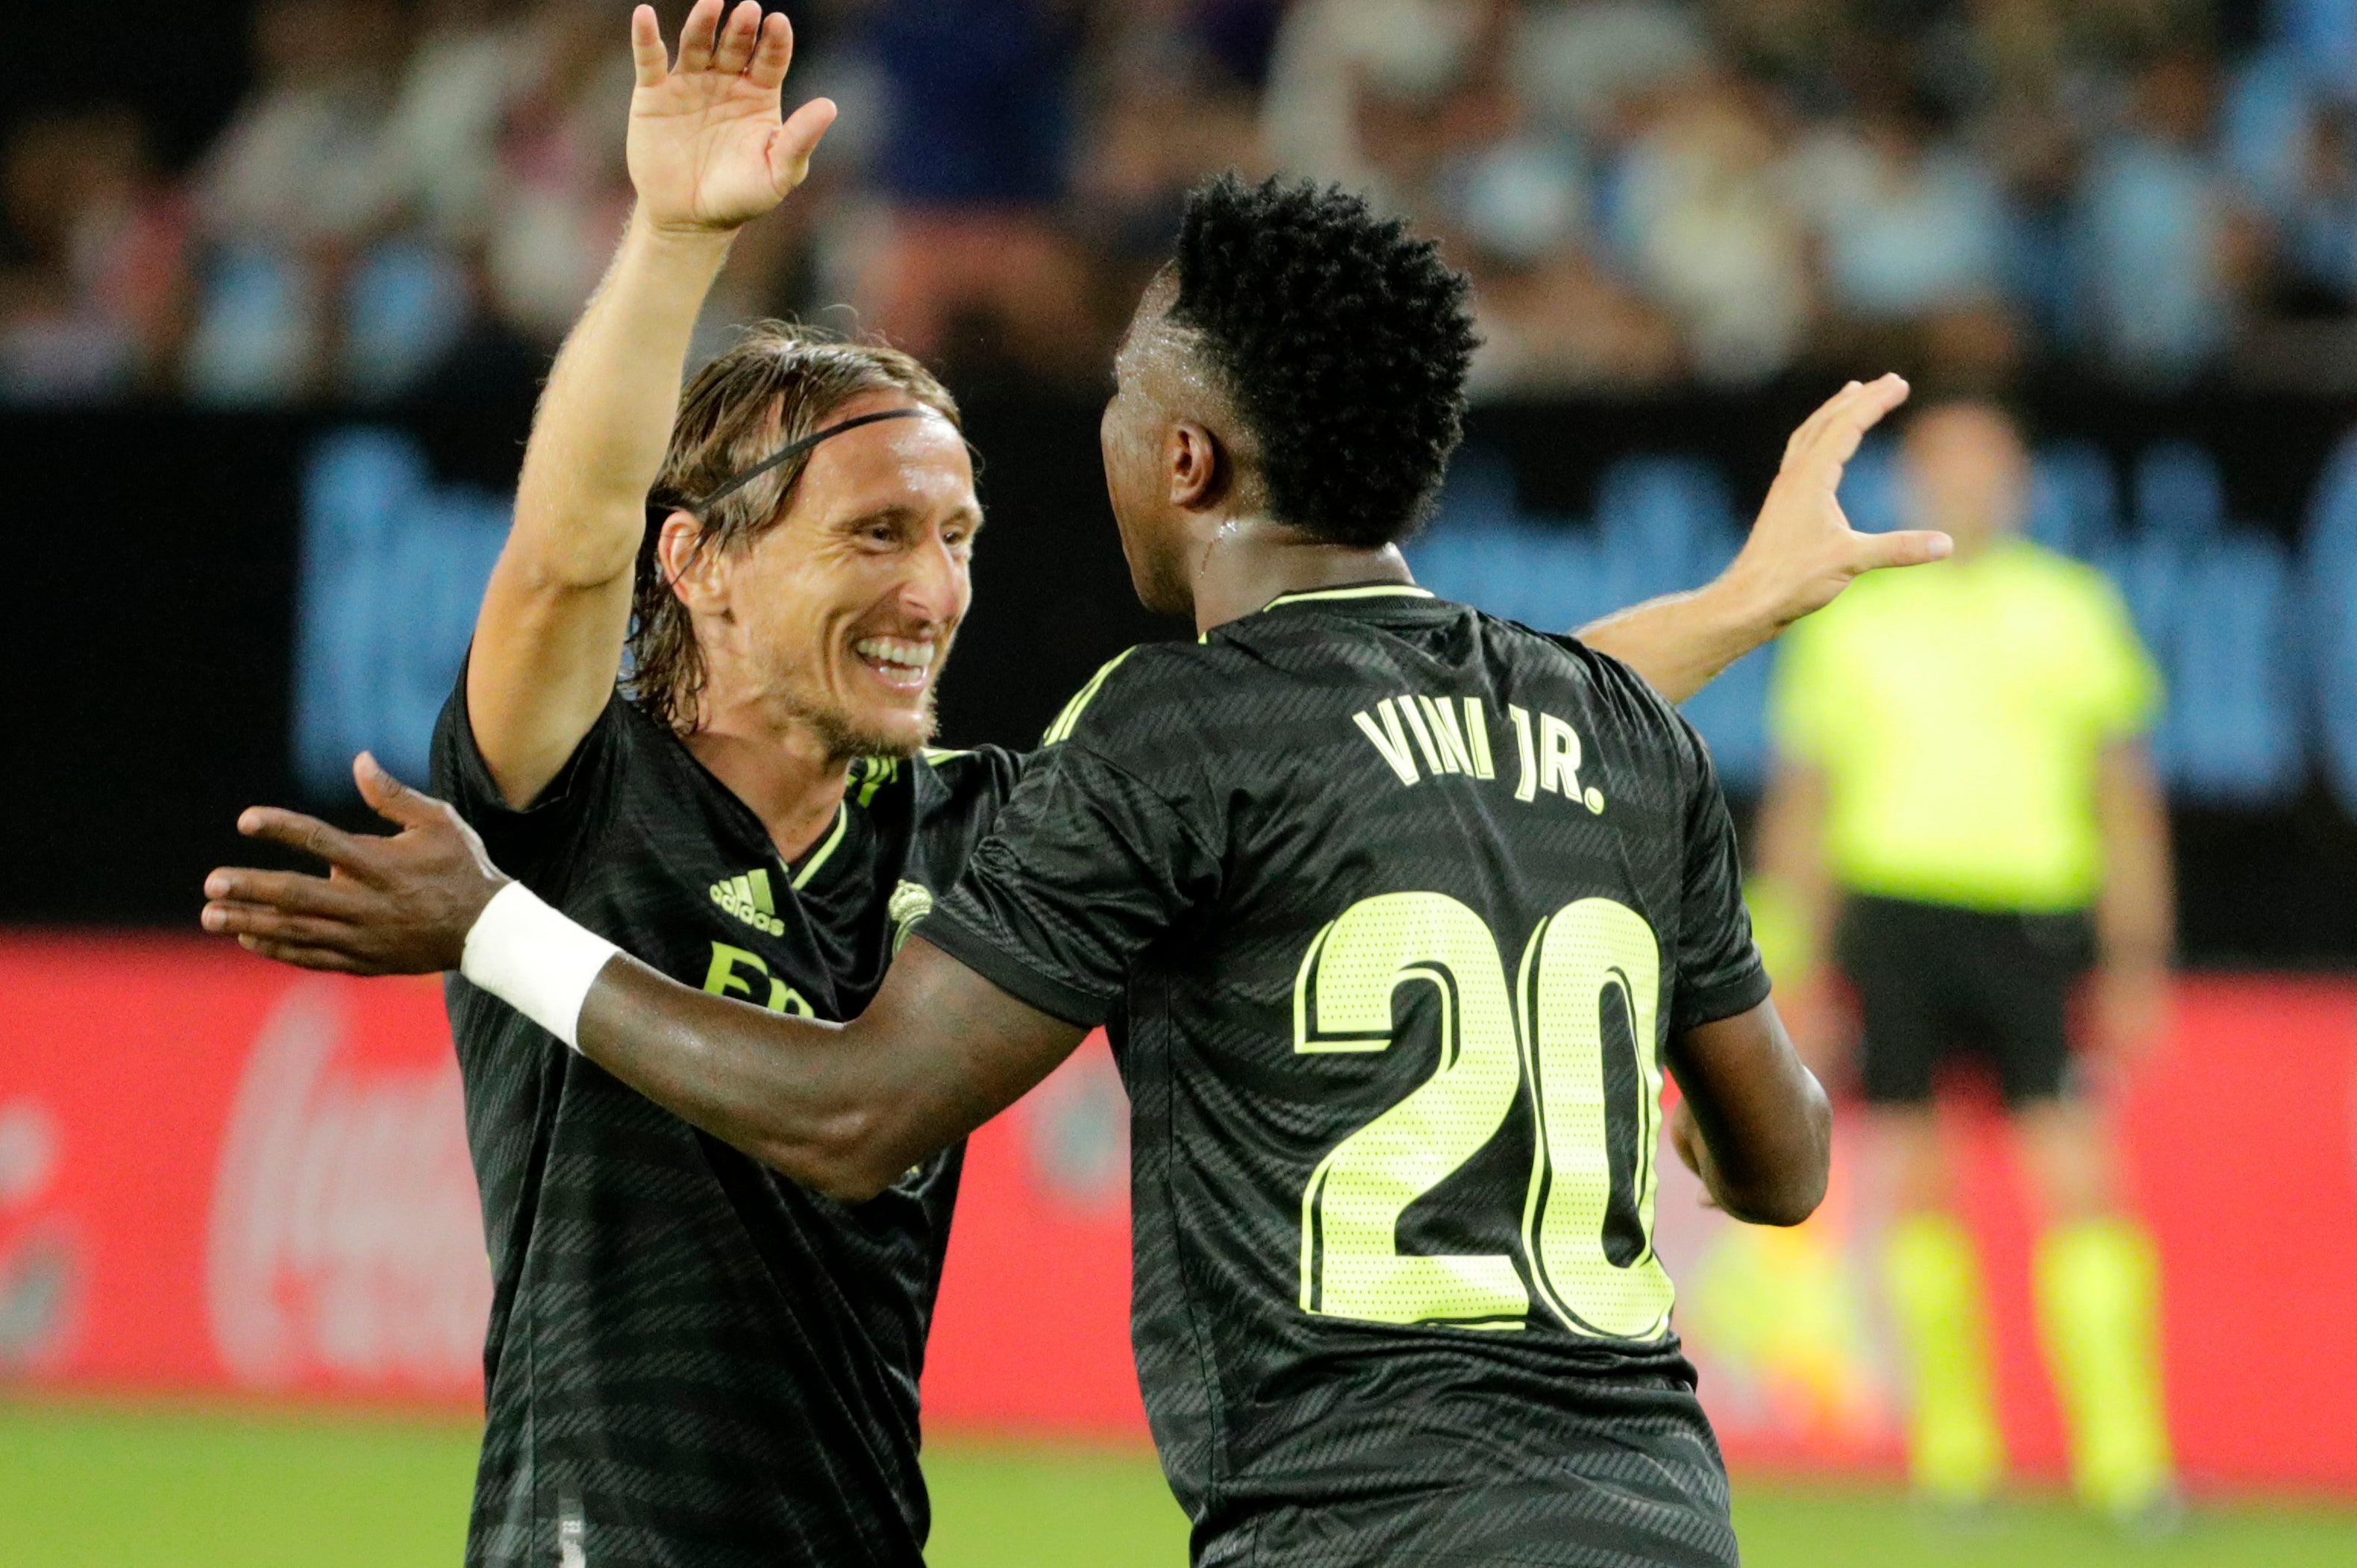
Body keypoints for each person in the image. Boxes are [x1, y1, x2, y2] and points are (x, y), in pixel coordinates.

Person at [204, 137, 1944, 1563]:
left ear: (1184, 451)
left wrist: (1719, 612)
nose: (936, 584)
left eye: (956, 533)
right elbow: (563, 554)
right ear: (700, 563)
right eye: (879, 532)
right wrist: (670, 238)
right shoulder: (572, 797)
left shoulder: (985, 814)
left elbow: (1341, 748)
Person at [1751, 398, 2177, 1524]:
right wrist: (1787, 964)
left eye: (1989, 468)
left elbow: (2124, 794)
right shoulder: (1855, 617)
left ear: (2022, 484)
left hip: (2034, 921)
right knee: (1917, 1180)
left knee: (2077, 1176)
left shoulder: (2072, 607)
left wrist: (2137, 952)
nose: (1966, 488)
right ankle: (1954, 1455)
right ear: (1910, 485)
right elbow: (1805, 804)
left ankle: (2127, 1463)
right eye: (1945, 468)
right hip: (1894, 918)